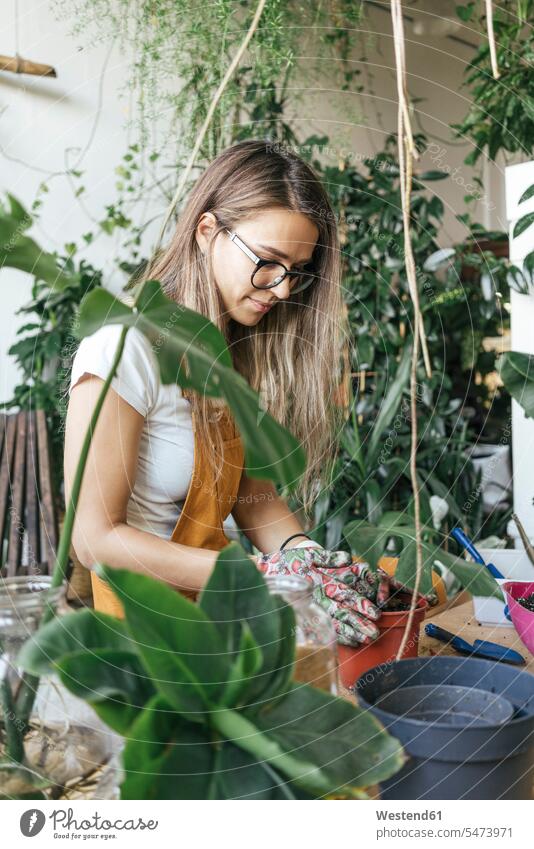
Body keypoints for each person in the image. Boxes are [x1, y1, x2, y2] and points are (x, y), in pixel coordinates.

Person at [64, 139, 404, 646]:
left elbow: (253, 496)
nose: (283, 288)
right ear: (207, 231)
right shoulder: (123, 348)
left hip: (212, 627)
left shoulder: (227, 359)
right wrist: (261, 576)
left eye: (298, 270)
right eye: (268, 261)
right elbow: (94, 539)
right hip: (143, 639)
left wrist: (306, 563)